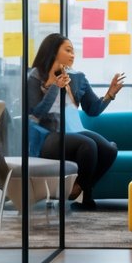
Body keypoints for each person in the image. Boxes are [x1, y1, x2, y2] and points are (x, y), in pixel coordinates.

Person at [26, 33, 125, 210]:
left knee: (110, 149)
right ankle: (85, 196)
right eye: (68, 50)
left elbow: (93, 109)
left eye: (74, 51)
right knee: (88, 145)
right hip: (47, 135)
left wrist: (110, 94)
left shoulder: (78, 77)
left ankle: (79, 188)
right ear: (53, 51)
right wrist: (55, 86)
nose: (73, 55)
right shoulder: (35, 76)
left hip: (73, 132)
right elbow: (37, 112)